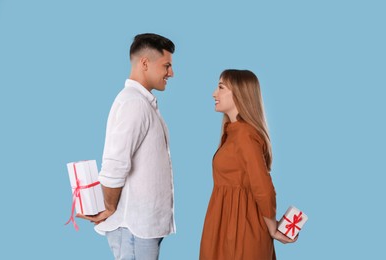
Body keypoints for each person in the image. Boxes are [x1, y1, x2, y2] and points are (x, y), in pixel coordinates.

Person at [77, 33, 176, 260]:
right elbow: (115, 163)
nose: (171, 73)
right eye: (167, 65)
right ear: (144, 63)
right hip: (133, 227)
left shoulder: (141, 102)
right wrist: (109, 207)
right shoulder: (134, 103)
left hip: (142, 227)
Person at [199, 69, 297, 260]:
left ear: (239, 93)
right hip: (227, 224)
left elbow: (263, 187)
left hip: (240, 230)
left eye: (220, 87)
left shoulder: (245, 135)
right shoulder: (233, 132)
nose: (214, 93)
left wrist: (273, 229)